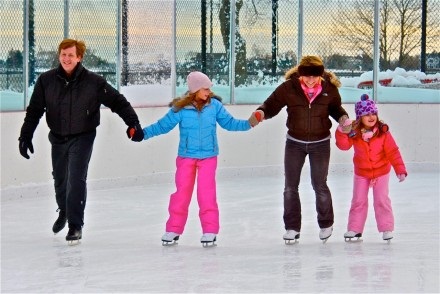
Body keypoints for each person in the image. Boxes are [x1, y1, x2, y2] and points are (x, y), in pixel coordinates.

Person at [18, 39, 144, 244]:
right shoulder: (46, 81)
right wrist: (25, 136)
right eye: (63, 54)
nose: (66, 59)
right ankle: (65, 210)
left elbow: (117, 102)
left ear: (79, 57)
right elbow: (34, 111)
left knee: (76, 178)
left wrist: (133, 124)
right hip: (58, 136)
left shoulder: (93, 82)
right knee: (60, 179)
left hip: (83, 135)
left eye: (71, 55)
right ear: (59, 55)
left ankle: (75, 225)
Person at [138, 71, 262, 246]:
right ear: (195, 90)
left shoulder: (215, 106)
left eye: (209, 88)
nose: (208, 92)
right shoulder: (180, 108)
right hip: (186, 156)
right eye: (205, 89)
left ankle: (210, 230)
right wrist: (143, 134)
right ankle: (173, 229)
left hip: (208, 157)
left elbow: (230, 123)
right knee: (181, 194)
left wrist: (249, 123)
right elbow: (162, 126)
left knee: (206, 194)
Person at [255, 55, 351, 243]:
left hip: (321, 143)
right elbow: (272, 103)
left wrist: (343, 119)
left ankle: (326, 223)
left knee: (319, 184)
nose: (310, 80)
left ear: (320, 75)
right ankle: (292, 228)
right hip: (294, 143)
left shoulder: (329, 89)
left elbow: (336, 109)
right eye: (306, 76)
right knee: (290, 187)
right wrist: (261, 112)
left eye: (314, 76)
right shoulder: (289, 88)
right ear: (300, 74)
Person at [335, 94, 407, 242]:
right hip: (361, 173)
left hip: (381, 172)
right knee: (358, 201)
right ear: (359, 117)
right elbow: (343, 146)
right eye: (366, 114)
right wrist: (342, 132)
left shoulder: (383, 132)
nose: (371, 116)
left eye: (373, 113)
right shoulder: (354, 132)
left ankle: (386, 228)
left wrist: (400, 169)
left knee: (381, 200)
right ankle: (355, 229)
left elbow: (393, 151)